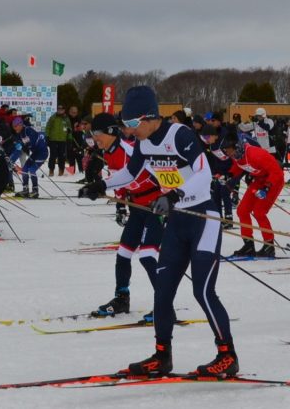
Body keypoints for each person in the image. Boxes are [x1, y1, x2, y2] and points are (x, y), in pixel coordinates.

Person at [78, 86, 237, 377]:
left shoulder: (180, 135)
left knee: (202, 290)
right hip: (177, 221)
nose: (130, 131)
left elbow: (203, 174)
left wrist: (174, 195)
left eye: (133, 125)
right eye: (127, 126)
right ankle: (162, 356)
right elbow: (132, 172)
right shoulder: (144, 142)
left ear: (149, 117)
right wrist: (102, 185)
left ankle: (227, 354)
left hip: (203, 218)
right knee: (162, 292)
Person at [87, 113, 162, 320]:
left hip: (156, 208)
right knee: (123, 253)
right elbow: (118, 181)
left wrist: (168, 199)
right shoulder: (109, 153)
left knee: (147, 256)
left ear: (111, 132)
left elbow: (160, 174)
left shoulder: (129, 150)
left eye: (97, 133)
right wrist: (120, 206)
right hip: (138, 208)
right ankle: (122, 298)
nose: (95, 138)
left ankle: (164, 304)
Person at [221, 133, 283, 258]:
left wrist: (266, 187)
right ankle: (248, 245)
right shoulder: (237, 155)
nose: (228, 154)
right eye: (226, 152)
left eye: (229, 151)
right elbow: (238, 167)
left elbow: (276, 172)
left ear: (237, 146)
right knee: (242, 210)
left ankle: (269, 245)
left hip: (273, 181)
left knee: (259, 212)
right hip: (259, 180)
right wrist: (229, 175)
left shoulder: (255, 154)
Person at [9, 116, 47, 198]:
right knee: (24, 169)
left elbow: (32, 142)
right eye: (13, 127)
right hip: (35, 153)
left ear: (21, 124)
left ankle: (35, 190)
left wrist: (23, 145)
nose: (15, 128)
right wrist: (11, 158)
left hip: (42, 152)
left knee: (31, 169)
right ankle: (25, 189)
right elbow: (19, 147)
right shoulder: (19, 134)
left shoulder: (28, 130)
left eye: (16, 126)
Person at [45, 104, 70, 176]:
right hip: (53, 139)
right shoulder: (53, 117)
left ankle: (61, 170)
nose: (60, 111)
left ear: (64, 110)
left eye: (61, 110)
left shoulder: (66, 119)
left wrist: (69, 138)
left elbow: (70, 129)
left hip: (62, 140)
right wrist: (47, 136)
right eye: (58, 109)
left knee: (62, 156)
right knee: (53, 155)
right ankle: (51, 170)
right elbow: (48, 127)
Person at [66, 105, 83, 175]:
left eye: (75, 112)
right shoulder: (66, 119)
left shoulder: (79, 119)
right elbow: (64, 129)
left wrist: (77, 129)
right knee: (71, 157)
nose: (74, 114)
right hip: (70, 140)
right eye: (73, 112)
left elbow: (82, 129)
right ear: (69, 112)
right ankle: (71, 172)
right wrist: (68, 130)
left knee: (79, 157)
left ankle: (81, 171)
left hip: (78, 140)